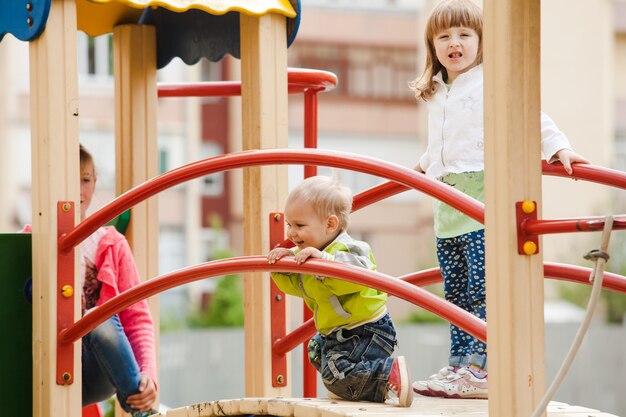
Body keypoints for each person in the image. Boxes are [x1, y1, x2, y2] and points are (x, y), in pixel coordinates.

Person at [408, 0, 589, 400]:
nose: (454, 43)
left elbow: (533, 116)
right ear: (432, 46)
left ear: (481, 42)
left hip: (480, 201)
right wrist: (421, 167)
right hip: (447, 205)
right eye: (444, 36)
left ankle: (482, 368)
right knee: (455, 293)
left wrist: (559, 148)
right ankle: (459, 366)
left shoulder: (490, 80)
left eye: (464, 35)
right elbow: (442, 142)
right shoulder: (436, 90)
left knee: (482, 290)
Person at [25, 145, 158, 416]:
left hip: (95, 368)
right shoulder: (29, 240)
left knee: (102, 318)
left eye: (85, 180)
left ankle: (140, 408)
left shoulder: (111, 244)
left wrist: (147, 374)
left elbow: (137, 318)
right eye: (68, 180)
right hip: (42, 368)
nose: (78, 189)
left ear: (95, 183)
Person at [267, 176, 413, 407]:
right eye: (289, 225)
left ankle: (387, 374)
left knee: (334, 375)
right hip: (339, 332)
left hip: (367, 329)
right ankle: (353, 386)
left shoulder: (349, 248)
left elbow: (355, 278)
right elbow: (299, 286)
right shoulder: (309, 252)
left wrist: (325, 261)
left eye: (299, 225)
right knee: (315, 350)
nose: (291, 234)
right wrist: (283, 269)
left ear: (330, 224)